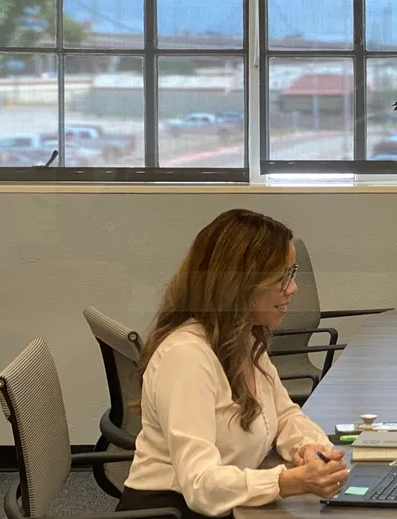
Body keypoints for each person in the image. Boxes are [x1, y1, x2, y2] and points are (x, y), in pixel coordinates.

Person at [116, 209, 350, 519]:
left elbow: (283, 415)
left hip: (223, 508)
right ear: (241, 284)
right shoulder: (186, 357)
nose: (292, 288)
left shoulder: (243, 341)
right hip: (172, 510)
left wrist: (309, 448)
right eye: (282, 277)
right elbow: (200, 484)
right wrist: (286, 482)